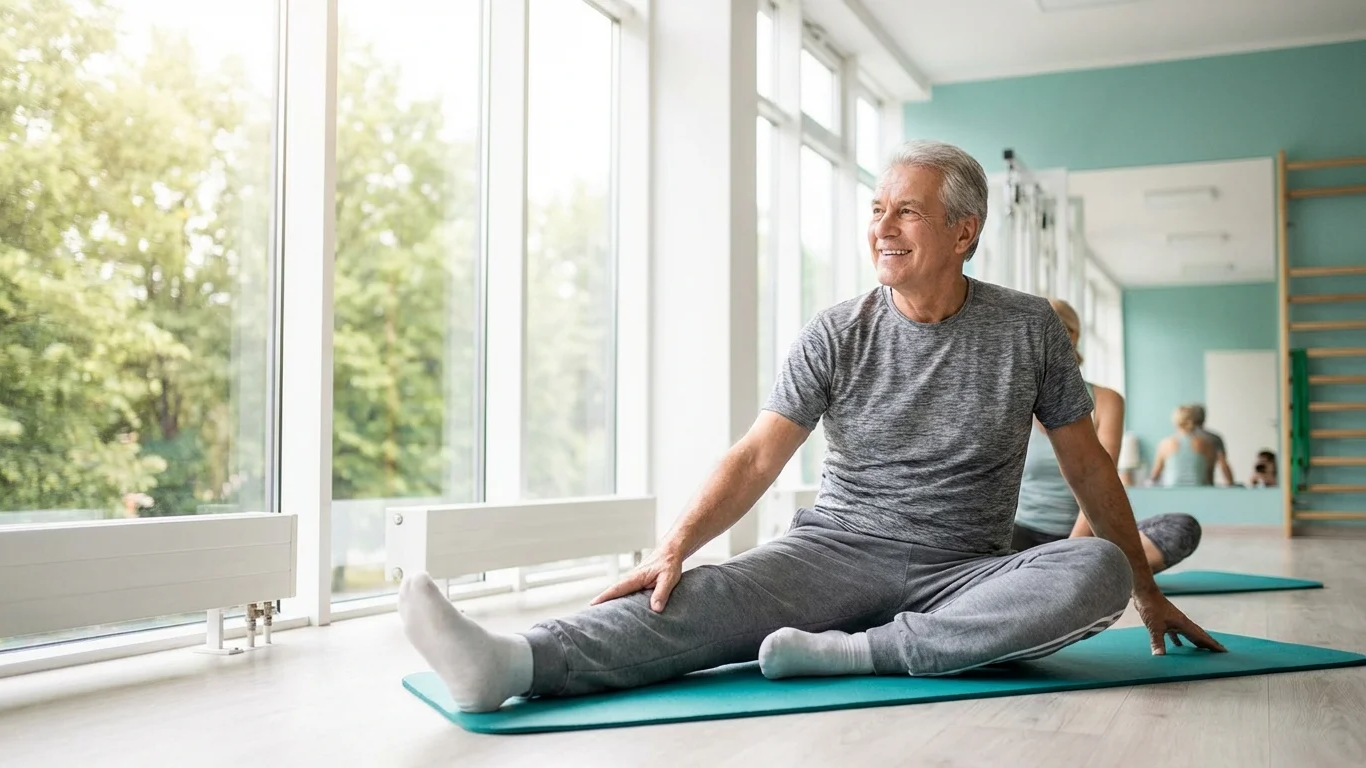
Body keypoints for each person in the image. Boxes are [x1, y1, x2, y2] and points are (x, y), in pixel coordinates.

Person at [396, 139, 1223, 713]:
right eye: (876, 211)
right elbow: (759, 456)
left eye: (907, 212)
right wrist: (677, 542)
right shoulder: (838, 329)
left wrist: (1144, 593)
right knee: (700, 594)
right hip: (833, 549)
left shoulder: (1029, 329)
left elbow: (1088, 468)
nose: (882, 229)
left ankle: (859, 652)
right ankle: (510, 662)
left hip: (966, 567)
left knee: (1096, 574)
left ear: (964, 231)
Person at [1011, 300, 1201, 574]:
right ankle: (1067, 577)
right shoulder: (1016, 400)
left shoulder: (1106, 401)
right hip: (1022, 536)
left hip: (1088, 536)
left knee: (1181, 528)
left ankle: (1058, 576)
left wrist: (1070, 551)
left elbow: (1099, 481)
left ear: (1070, 335)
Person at [1150, 406, 1217, 487]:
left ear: (1175, 421)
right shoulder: (1207, 444)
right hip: (1199, 493)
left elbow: (1155, 475)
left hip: (1171, 493)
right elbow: (1210, 476)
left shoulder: (1165, 444)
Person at [1187, 404, 1233, 485]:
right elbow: (1223, 464)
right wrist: (1230, 484)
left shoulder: (1179, 440)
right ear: (1204, 418)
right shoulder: (1214, 438)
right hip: (1206, 485)